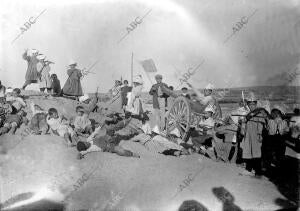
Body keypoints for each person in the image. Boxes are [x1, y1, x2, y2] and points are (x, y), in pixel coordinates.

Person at [240, 94, 269, 176]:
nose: (251, 106)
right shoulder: (248, 114)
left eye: (253, 104)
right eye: (250, 104)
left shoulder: (259, 113)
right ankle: (250, 169)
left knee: (256, 153)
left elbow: (261, 126)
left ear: (256, 104)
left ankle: (257, 171)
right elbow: (245, 124)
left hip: (256, 136)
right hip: (248, 136)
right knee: (249, 152)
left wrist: (259, 135)